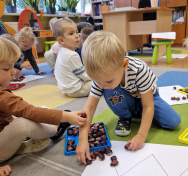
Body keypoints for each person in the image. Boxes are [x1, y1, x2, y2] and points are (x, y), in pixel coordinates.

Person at [0, 30, 87, 176]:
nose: (13, 73)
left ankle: (43, 128)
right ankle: (55, 129)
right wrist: (64, 116)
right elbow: (27, 111)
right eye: (6, 69)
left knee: (38, 111)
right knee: (23, 123)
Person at [76, 31, 181, 165]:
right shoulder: (102, 79)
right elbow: (89, 109)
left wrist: (141, 135)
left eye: (107, 81)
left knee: (173, 122)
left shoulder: (139, 69)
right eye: (97, 81)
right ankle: (126, 116)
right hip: (125, 97)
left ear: (124, 65)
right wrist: (83, 138)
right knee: (111, 90)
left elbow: (148, 105)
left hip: (148, 98)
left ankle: (139, 113)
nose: (102, 86)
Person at [52, 17, 92, 98]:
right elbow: (84, 76)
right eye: (71, 33)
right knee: (102, 81)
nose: (77, 36)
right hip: (77, 89)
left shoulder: (63, 52)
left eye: (77, 32)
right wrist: (96, 76)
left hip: (67, 90)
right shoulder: (72, 55)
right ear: (61, 40)